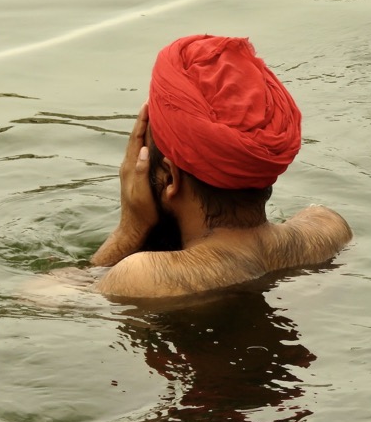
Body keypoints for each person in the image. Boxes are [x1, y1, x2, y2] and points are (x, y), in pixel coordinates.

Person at [91, 34, 352, 300]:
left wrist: (129, 230)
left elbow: (51, 299)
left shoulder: (142, 277)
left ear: (170, 178)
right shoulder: (328, 230)